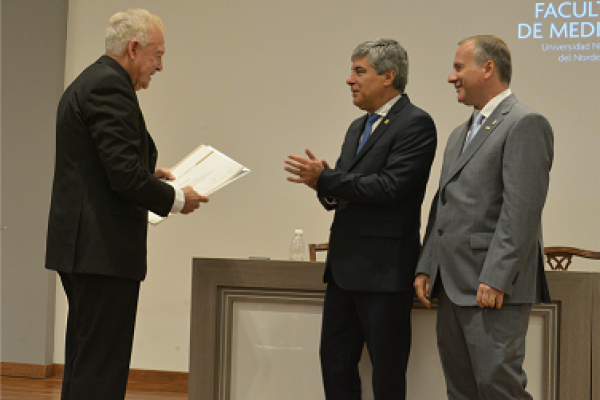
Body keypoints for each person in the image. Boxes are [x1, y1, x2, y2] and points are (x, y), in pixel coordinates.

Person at [45, 9, 207, 399]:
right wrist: (176, 199)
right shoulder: (109, 86)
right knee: (101, 367)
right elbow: (121, 174)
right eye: (158, 55)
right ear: (134, 48)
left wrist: (150, 176)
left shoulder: (93, 80)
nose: (160, 66)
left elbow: (103, 167)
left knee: (88, 359)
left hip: (86, 247)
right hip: (102, 249)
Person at [285, 38, 436, 400]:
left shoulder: (416, 123)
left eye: (359, 71)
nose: (349, 80)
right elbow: (348, 187)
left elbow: (389, 187)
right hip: (344, 270)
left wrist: (328, 178)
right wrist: (324, 183)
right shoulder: (357, 127)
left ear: (388, 76)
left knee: (387, 372)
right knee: (334, 363)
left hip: (384, 273)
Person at [414, 35, 553, 400]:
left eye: (459, 67)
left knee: (498, 387)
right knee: (461, 390)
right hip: (453, 283)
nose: (451, 77)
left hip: (492, 288)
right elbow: (443, 205)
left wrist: (496, 277)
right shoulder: (459, 133)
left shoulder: (525, 123)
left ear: (488, 68)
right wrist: (427, 264)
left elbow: (521, 211)